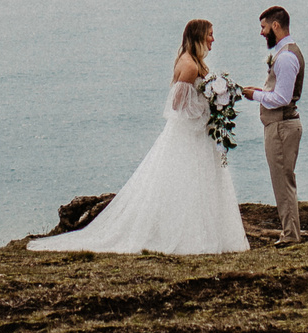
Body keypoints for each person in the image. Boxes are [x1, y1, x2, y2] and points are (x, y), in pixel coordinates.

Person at [28, 18, 247, 254]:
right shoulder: (191, 65)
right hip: (188, 136)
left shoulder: (194, 60)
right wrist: (210, 105)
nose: (213, 39)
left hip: (194, 134)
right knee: (189, 181)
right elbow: (178, 104)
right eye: (210, 34)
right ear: (199, 37)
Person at [242, 6, 305, 245]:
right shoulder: (284, 53)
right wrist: (260, 90)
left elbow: (282, 98)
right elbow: (278, 91)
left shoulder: (287, 57)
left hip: (281, 126)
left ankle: (290, 235)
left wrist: (255, 97)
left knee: (282, 180)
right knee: (282, 179)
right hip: (281, 125)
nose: (261, 32)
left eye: (263, 27)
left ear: (275, 26)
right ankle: (290, 232)